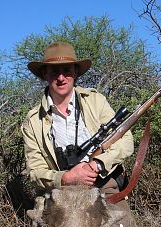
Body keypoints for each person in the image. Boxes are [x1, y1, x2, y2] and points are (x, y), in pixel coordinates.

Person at [21, 42, 134, 197]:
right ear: (45, 74)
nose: (61, 78)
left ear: (75, 73)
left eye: (67, 70)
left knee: (122, 222)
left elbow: (125, 139)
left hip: (103, 184)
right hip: (61, 192)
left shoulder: (96, 101)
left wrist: (97, 165)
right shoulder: (33, 120)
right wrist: (65, 178)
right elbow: (34, 170)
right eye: (54, 72)